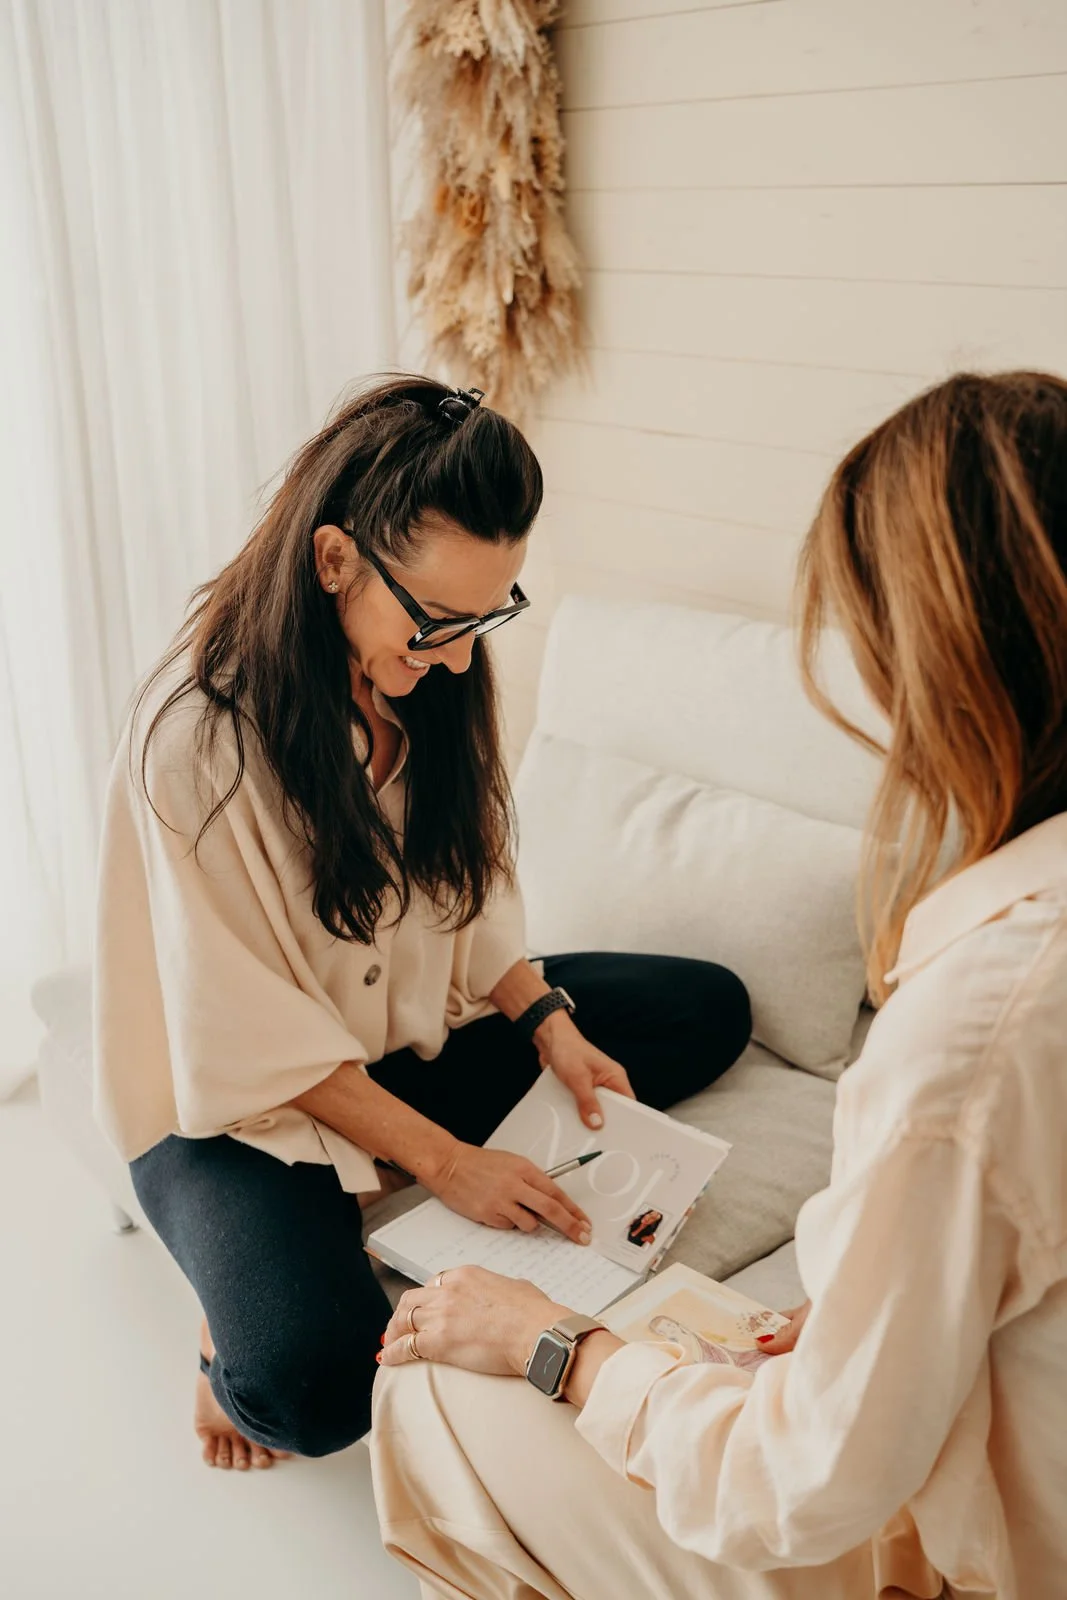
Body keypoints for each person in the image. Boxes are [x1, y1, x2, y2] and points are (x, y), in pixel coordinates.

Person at [371, 371, 1067, 1600]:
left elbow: (800, 1482)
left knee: (427, 1381)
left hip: (965, 1534)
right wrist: (864, 1331)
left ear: (928, 652)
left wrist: (554, 1341)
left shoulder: (974, 1029)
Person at [93, 376, 752, 1473]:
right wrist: (447, 1165)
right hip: (238, 1110)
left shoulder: (434, 678)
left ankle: (371, 1173)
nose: (457, 657)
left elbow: (470, 891)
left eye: (486, 617)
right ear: (333, 560)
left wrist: (545, 1021)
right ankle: (220, 1335)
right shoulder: (194, 743)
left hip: (394, 1049)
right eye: (438, 622)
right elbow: (244, 1036)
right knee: (312, 1390)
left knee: (704, 1006)